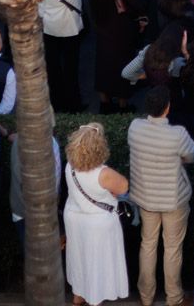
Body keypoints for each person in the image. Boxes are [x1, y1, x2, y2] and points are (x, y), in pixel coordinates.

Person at [128, 85, 194, 306]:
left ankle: (146, 297)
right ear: (168, 108)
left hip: (145, 198)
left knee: (147, 245)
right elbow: (192, 156)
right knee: (172, 249)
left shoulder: (134, 127)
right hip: (173, 200)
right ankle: (174, 297)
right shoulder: (177, 135)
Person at [63, 121, 130, 306]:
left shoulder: (70, 166)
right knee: (96, 265)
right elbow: (123, 186)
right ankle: (94, 299)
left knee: (79, 260)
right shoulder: (104, 173)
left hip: (74, 219)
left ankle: (78, 297)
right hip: (97, 225)